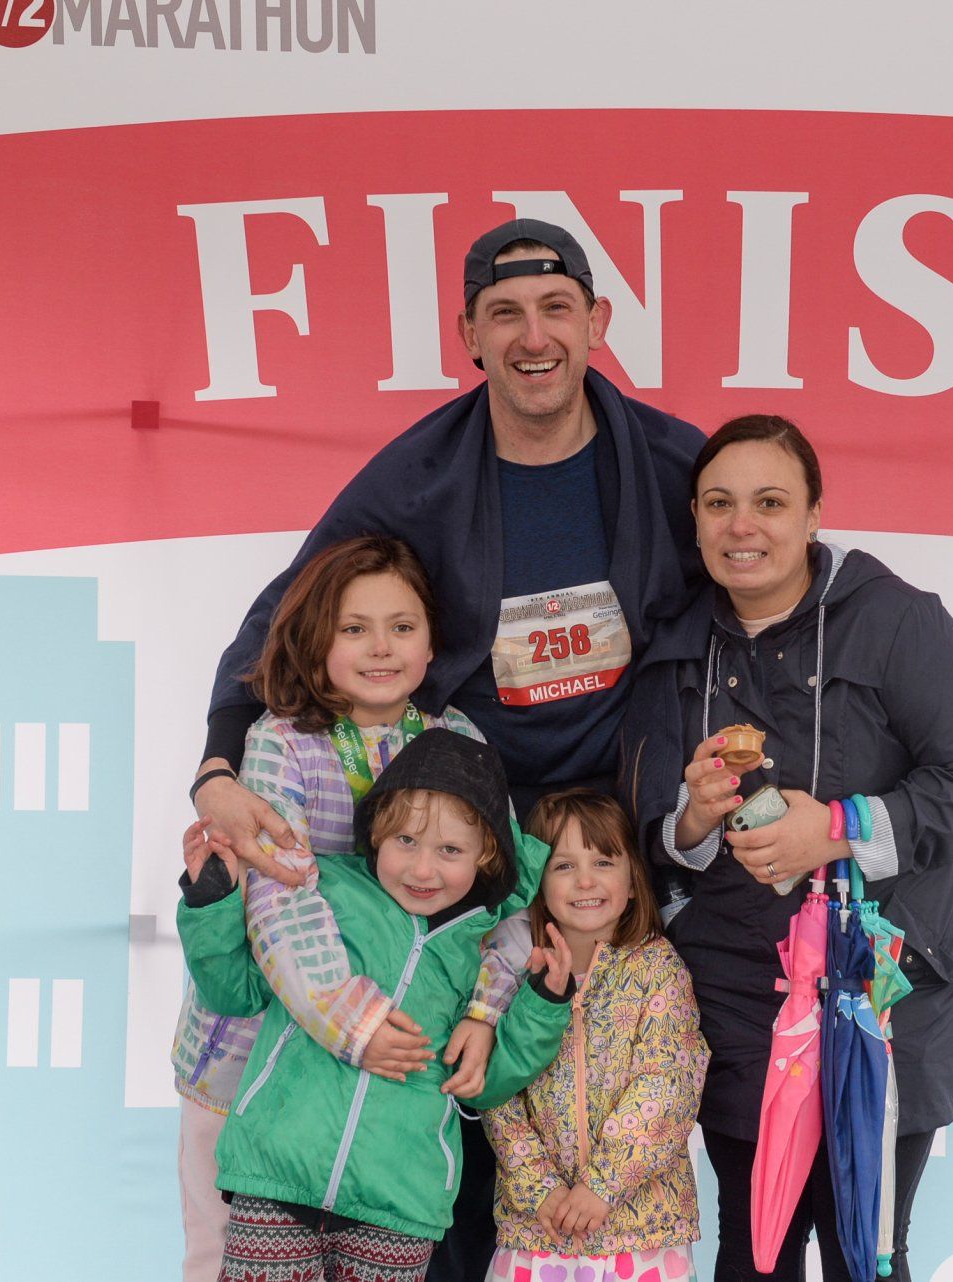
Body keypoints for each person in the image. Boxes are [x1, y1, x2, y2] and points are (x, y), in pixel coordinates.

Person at [191, 218, 707, 1281]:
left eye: (557, 309)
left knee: (564, 1101)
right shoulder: (416, 476)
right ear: (467, 332)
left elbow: (759, 578)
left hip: (604, 844)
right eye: (505, 314)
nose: (534, 337)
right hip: (449, 845)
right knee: (439, 1131)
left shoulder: (668, 464)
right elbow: (279, 623)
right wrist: (215, 770)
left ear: (597, 324)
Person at [622, 415, 953, 1282]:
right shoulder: (674, 646)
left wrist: (835, 830)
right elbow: (639, 825)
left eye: (769, 502)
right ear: (694, 519)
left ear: (812, 514)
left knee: (862, 1252)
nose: (742, 526)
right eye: (719, 504)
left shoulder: (898, 623)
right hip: (733, 1002)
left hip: (882, 1000)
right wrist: (689, 821)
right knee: (753, 1251)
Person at [170, 536, 513, 1281]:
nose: (380, 648)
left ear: (433, 642)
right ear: (317, 638)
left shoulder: (458, 740)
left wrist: (485, 1014)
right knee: (216, 1255)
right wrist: (354, 1022)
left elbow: (502, 899)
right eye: (353, 628)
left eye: (402, 626)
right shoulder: (278, 743)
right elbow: (279, 900)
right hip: (254, 1060)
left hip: (388, 1081)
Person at [178, 728, 579, 1282]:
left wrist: (544, 1005)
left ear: (487, 856)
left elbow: (484, 1082)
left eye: (450, 851)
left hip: (399, 1202)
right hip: (276, 1173)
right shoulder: (322, 894)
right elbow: (236, 990)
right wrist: (212, 901)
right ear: (375, 835)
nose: (422, 870)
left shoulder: (483, 953)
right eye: (406, 842)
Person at [482, 790, 708, 1282]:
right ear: (538, 885)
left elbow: (668, 1084)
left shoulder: (657, 969)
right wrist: (538, 1188)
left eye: (604, 861)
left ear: (632, 883)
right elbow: (498, 1090)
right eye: (563, 866)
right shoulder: (518, 973)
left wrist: (602, 1188)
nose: (585, 880)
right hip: (539, 1228)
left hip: (643, 1232)